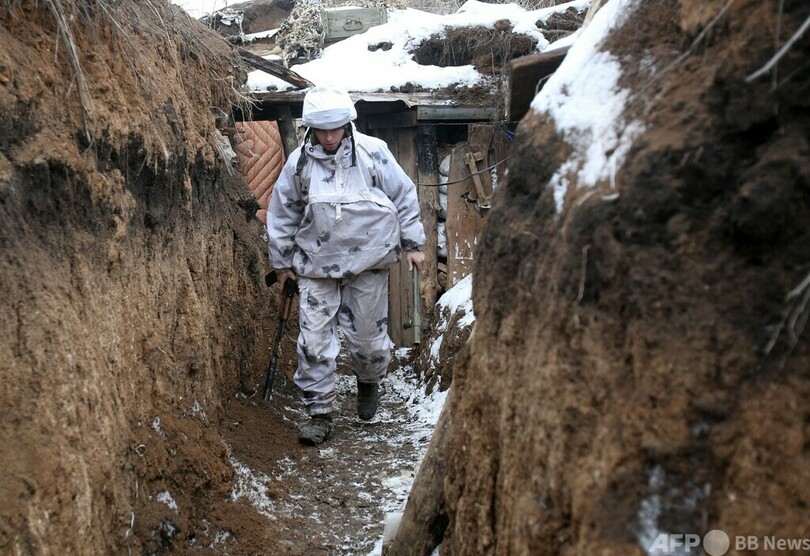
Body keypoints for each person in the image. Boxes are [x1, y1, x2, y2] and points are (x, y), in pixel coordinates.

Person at [266, 86, 426, 445]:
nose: (329, 137)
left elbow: (403, 194)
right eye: (322, 130)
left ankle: (368, 381)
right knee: (314, 341)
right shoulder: (299, 164)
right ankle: (319, 413)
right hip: (315, 265)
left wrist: (413, 243)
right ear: (311, 128)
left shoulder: (374, 153)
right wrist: (281, 263)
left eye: (335, 128)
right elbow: (283, 212)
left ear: (347, 124)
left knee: (368, 340)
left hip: (368, 262)